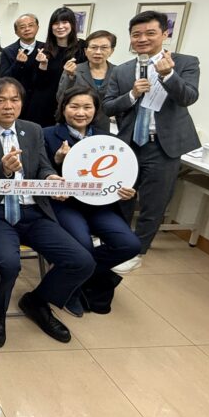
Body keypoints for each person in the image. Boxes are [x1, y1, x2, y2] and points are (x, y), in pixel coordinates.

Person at [0, 77, 95, 347]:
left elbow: (43, 166)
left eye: (14, 100)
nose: (8, 106)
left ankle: (37, 301)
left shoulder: (33, 130)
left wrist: (50, 179)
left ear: (22, 103)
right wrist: (3, 170)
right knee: (8, 265)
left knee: (82, 261)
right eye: (0, 100)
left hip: (34, 209)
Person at [104, 10, 201, 270]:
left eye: (150, 33)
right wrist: (132, 95)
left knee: (154, 201)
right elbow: (108, 106)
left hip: (163, 145)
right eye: (136, 34)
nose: (142, 39)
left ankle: (138, 251)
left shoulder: (185, 63)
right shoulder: (122, 71)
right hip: (130, 143)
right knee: (121, 196)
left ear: (164, 34)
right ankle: (120, 243)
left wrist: (169, 76)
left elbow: (188, 97)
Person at [43, 87, 141, 315]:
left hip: (100, 205)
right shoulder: (46, 135)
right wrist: (57, 160)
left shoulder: (107, 140)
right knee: (83, 246)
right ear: (63, 108)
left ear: (96, 110)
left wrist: (128, 190)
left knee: (130, 245)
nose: (81, 112)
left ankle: (74, 276)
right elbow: (37, 172)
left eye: (87, 107)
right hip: (65, 204)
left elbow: (122, 172)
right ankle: (73, 289)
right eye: (74, 106)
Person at [24, 7, 87, 127]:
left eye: (65, 22)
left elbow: (86, 79)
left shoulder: (82, 48)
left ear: (72, 24)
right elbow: (37, 84)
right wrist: (43, 65)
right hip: (42, 105)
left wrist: (72, 74)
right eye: (56, 23)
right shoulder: (43, 49)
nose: (60, 27)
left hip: (70, 103)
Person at [57, 30, 117, 132]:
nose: (98, 52)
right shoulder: (73, 69)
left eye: (104, 48)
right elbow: (60, 98)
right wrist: (69, 77)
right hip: (74, 122)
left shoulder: (117, 72)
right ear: (85, 51)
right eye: (93, 47)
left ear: (111, 51)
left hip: (102, 126)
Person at [0, 13, 44, 116]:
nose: (27, 29)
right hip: (17, 100)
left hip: (40, 101)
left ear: (37, 28)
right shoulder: (8, 51)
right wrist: (18, 64)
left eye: (30, 25)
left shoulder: (46, 49)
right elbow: (4, 79)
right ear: (16, 32)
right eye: (22, 27)